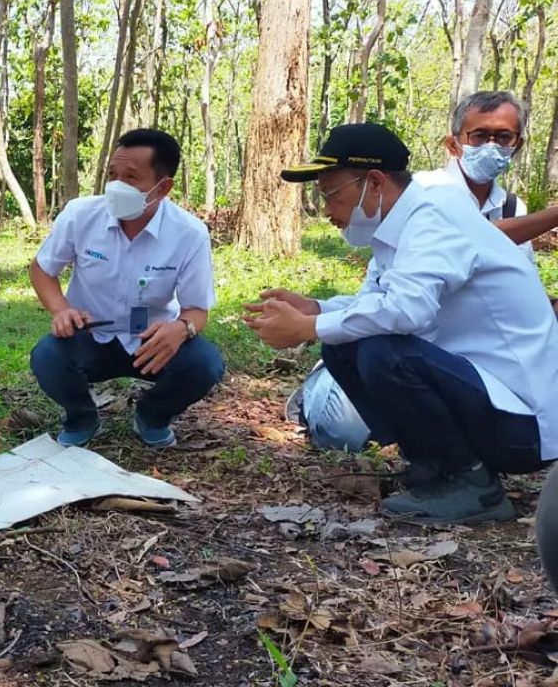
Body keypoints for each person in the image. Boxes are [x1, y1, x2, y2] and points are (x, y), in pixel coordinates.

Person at [245, 122, 558, 524]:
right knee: (346, 344)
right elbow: (375, 303)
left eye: (330, 194)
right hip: (489, 401)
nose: (326, 210)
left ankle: (472, 486)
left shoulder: (434, 218)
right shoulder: (400, 225)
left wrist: (308, 328)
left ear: (374, 182)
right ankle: (436, 467)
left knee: (382, 350)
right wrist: (317, 309)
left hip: (524, 425)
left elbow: (408, 311)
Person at [28, 128, 224, 448]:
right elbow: (42, 270)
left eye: (132, 177)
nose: (117, 186)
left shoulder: (189, 234)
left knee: (204, 363)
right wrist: (61, 310)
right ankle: (81, 418)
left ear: (163, 187)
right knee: (47, 356)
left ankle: (152, 416)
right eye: (112, 175)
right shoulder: (81, 215)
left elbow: (197, 309)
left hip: (151, 345)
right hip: (89, 336)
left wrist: (182, 329)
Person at [416, 90, 534, 256]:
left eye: (504, 137)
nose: (491, 145)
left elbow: (522, 272)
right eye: (479, 136)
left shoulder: (512, 208)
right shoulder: (421, 192)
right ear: (452, 144)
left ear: (517, 146)